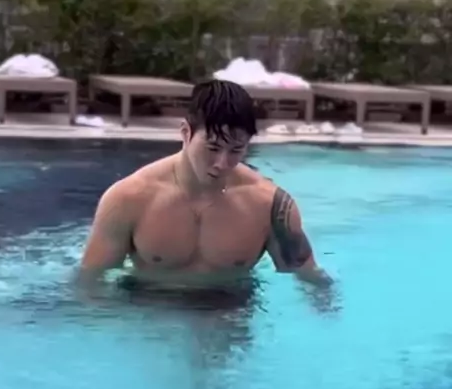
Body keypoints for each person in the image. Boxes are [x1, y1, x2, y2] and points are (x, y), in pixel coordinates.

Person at [79, 79, 333, 292]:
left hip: (226, 314)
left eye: (236, 150)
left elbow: (310, 278)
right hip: (150, 309)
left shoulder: (271, 206)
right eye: (212, 148)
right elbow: (90, 282)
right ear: (186, 133)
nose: (222, 163)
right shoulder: (129, 197)